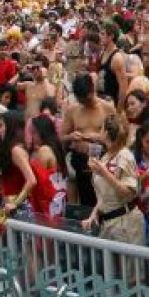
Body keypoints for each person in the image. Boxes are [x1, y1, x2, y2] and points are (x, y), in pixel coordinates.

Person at [81, 114, 144, 247]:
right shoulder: (106, 156)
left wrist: (104, 173)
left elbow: (128, 192)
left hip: (125, 223)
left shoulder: (124, 156)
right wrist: (93, 215)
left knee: (129, 267)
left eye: (101, 128)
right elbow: (105, 195)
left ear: (106, 133)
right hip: (108, 222)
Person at [61, 74, 117, 208]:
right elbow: (62, 137)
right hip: (80, 160)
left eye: (88, 99)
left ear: (93, 91)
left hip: (101, 159)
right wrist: (70, 137)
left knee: (102, 198)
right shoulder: (73, 110)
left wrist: (97, 137)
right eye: (82, 101)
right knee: (85, 201)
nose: (86, 103)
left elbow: (116, 136)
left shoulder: (106, 108)